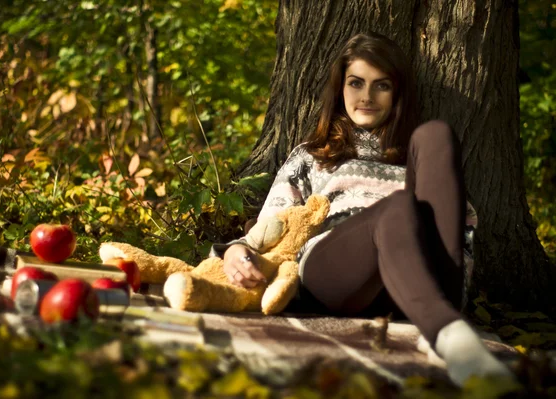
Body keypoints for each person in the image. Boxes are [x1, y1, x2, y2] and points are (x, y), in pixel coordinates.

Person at [213, 32, 513, 386]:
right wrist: (236, 251)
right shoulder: (313, 155)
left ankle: (438, 318)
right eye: (356, 83)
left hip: (417, 279)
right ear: (341, 88)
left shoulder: (416, 159)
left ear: (397, 93)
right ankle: (450, 336)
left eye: (381, 86)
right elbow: (272, 227)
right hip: (337, 276)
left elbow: (457, 233)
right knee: (398, 207)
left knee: (436, 134)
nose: (366, 97)